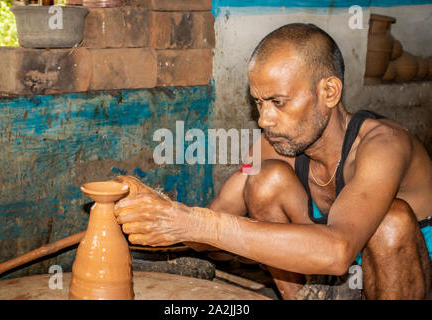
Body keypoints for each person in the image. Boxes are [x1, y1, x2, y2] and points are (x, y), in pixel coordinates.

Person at [114, 23, 432, 299]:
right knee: (264, 180)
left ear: (330, 92)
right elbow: (220, 214)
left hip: (410, 283)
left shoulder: (384, 145)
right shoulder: (275, 143)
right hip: (344, 284)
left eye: (278, 102)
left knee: (392, 220)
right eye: (259, 102)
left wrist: (197, 224)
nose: (265, 119)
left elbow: (337, 251)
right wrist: (158, 216)